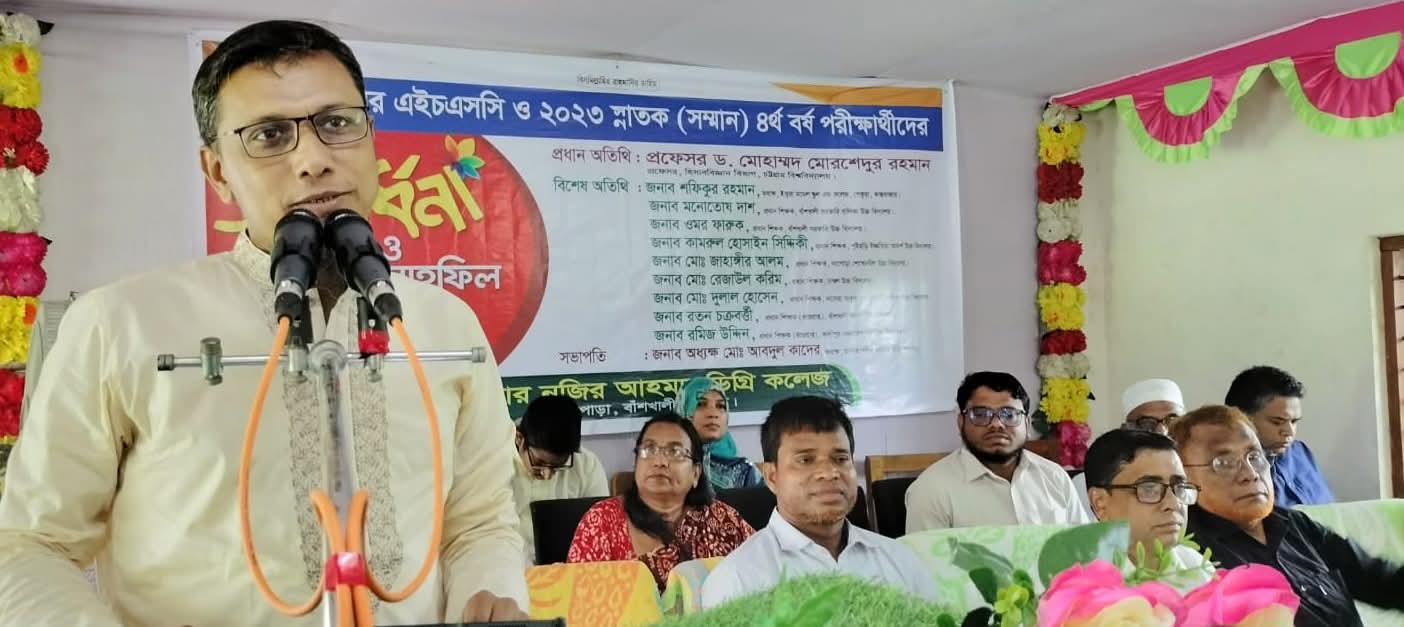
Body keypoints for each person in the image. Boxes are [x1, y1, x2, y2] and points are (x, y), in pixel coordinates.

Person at [0, 21, 529, 625]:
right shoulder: (120, 324)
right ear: (217, 171)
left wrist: (487, 593)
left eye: (337, 123)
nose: (314, 160)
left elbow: (480, 523)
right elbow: (28, 547)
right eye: (270, 135)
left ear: (372, 141)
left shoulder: (446, 324)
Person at [1174, 405, 1404, 626]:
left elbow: (1380, 580)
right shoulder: (1190, 556)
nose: (1250, 474)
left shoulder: (1295, 525)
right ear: (1184, 478)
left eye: (1254, 456)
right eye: (1224, 463)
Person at [701, 396, 937, 608]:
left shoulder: (899, 560)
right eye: (806, 460)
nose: (829, 472)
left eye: (840, 458)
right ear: (772, 476)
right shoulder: (738, 579)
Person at [567, 412, 753, 591]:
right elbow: (579, 598)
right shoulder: (601, 521)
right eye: (649, 450)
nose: (660, 462)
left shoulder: (723, 520)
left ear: (695, 473)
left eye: (675, 452)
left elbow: (760, 574)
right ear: (636, 464)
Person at [905, 371, 1090, 531]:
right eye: (980, 414)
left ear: (1026, 424)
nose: (996, 424)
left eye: (1009, 414)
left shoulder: (1054, 477)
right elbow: (925, 560)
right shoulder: (930, 490)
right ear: (961, 423)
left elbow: (1083, 549)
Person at [1083, 429, 1213, 593]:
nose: (1173, 503)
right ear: (1100, 503)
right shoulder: (1078, 584)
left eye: (1179, 487)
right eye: (1149, 488)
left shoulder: (1195, 566)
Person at [511, 395, 608, 565]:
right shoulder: (494, 464)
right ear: (519, 439)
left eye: (558, 466)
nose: (547, 475)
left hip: (570, 569)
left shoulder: (586, 465)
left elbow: (601, 529)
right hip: (507, 568)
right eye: (539, 463)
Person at [1224, 366, 1333, 507]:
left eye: (1294, 422)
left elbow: (1330, 508)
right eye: (1277, 422)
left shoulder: (1300, 453)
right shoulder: (1222, 468)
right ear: (1240, 418)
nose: (1289, 432)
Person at [1073, 378, 1186, 509]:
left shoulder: (1199, 477)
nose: (1162, 431)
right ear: (1126, 429)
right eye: (1147, 423)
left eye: (1172, 422)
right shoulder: (1089, 483)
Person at [677, 376, 763, 490]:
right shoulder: (669, 465)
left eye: (720, 406)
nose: (713, 414)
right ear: (684, 410)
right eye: (701, 404)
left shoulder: (745, 472)